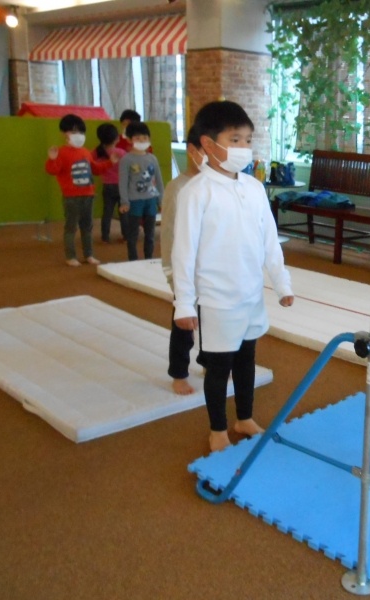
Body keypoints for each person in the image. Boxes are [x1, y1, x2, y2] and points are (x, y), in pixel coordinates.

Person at [172, 100, 294, 452]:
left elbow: (269, 240)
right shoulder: (196, 192)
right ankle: (218, 429)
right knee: (219, 366)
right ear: (208, 144)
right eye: (235, 140)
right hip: (217, 298)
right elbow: (183, 252)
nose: (243, 147)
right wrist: (184, 304)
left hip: (251, 293)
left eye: (247, 140)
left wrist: (281, 283)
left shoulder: (254, 188)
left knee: (246, 359)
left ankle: (244, 417)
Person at [161, 126, 207, 395]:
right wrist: (173, 277)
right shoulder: (177, 188)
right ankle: (179, 372)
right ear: (192, 151)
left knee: (212, 322)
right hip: (186, 270)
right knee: (184, 324)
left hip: (213, 270)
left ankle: (209, 362)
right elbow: (168, 234)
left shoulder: (217, 185)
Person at [45, 114, 118, 267]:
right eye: (73, 132)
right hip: (71, 197)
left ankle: (89, 254)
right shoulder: (61, 152)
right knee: (71, 227)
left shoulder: (85, 152)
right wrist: (52, 159)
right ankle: (71, 256)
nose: (78, 135)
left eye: (80, 132)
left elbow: (95, 169)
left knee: (87, 227)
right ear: (64, 133)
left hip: (88, 195)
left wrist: (109, 162)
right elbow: (53, 170)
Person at [118, 122, 164, 261]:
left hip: (151, 200)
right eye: (137, 138)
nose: (142, 141)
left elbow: (159, 180)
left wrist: (161, 201)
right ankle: (133, 260)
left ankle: (148, 258)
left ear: (149, 139)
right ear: (130, 139)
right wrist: (125, 202)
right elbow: (123, 182)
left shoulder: (152, 158)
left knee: (150, 233)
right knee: (133, 234)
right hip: (135, 201)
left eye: (144, 138)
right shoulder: (126, 159)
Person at [92, 123, 127, 244]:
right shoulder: (121, 152)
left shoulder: (97, 152)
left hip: (107, 186)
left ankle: (105, 238)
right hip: (122, 186)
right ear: (117, 138)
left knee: (107, 212)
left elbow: (91, 164)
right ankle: (126, 236)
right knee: (123, 212)